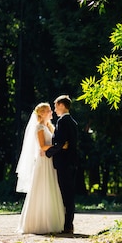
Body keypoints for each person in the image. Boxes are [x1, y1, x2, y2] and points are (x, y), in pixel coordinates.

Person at [15, 102, 65, 234]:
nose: (51, 112)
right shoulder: (39, 128)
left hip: (49, 161)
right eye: (48, 111)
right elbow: (42, 146)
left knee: (50, 188)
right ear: (42, 113)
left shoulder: (49, 126)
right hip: (43, 162)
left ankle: (51, 221)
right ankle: (37, 223)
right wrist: (58, 146)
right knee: (41, 188)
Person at [46, 95, 78, 234]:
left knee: (66, 194)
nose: (54, 109)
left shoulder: (63, 121)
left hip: (64, 162)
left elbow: (60, 142)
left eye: (55, 106)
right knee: (69, 193)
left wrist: (48, 152)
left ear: (61, 105)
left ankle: (67, 225)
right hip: (71, 161)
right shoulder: (72, 121)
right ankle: (68, 223)